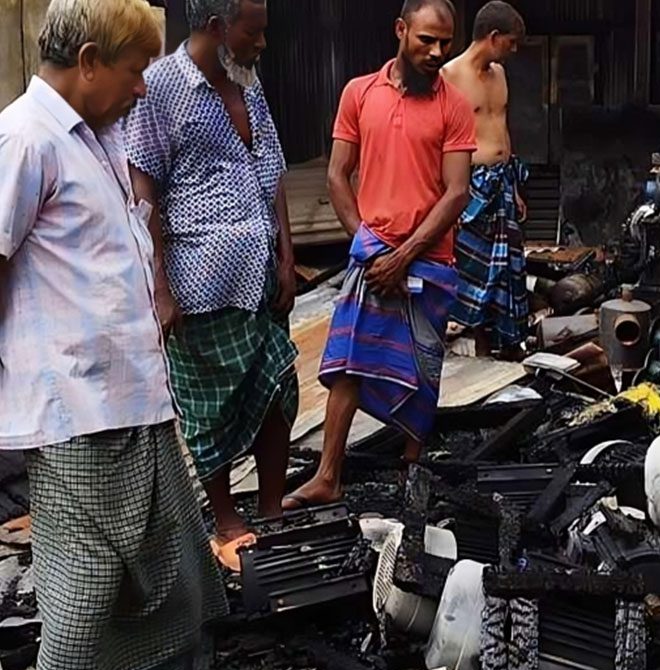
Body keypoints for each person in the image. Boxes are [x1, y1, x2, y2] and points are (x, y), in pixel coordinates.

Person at [0, 1, 228, 670]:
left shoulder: (94, 136)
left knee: (176, 571)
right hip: (78, 413)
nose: (141, 89)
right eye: (134, 72)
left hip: (131, 402)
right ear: (90, 61)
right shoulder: (25, 140)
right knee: (87, 586)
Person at [125, 0, 299, 570]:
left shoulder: (248, 83)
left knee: (279, 387)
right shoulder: (160, 88)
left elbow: (272, 173)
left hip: (259, 276)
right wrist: (158, 288)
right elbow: (143, 192)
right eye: (254, 31)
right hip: (201, 286)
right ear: (216, 27)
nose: (263, 43)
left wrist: (286, 256)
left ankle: (272, 511)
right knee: (211, 411)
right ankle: (226, 517)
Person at [281, 0, 475, 510]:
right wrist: (366, 249)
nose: (436, 52)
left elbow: (456, 192)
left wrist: (405, 254)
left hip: (429, 260)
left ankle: (410, 476)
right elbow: (337, 175)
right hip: (373, 257)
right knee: (349, 362)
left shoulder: (453, 105)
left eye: (445, 43)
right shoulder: (358, 93)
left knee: (421, 368)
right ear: (400, 30)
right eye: (426, 40)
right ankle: (328, 475)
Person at [441, 1, 528, 358]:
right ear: (492, 37)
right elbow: (438, 139)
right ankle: (465, 347)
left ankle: (497, 349)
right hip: (470, 184)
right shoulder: (449, 76)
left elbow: (502, 127)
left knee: (506, 270)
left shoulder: (500, 75)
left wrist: (515, 187)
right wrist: (449, 195)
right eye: (510, 42)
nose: (514, 50)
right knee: (469, 271)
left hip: (502, 184)